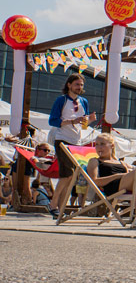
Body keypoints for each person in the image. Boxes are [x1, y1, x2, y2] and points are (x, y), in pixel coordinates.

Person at [47, 74, 95, 218]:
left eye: (81, 85)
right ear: (69, 85)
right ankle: (53, 204)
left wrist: (90, 120)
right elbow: (53, 121)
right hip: (62, 139)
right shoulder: (61, 100)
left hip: (77, 142)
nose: (79, 87)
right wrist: (73, 121)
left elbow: (83, 125)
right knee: (66, 175)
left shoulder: (84, 101)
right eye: (77, 84)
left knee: (71, 177)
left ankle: (60, 209)